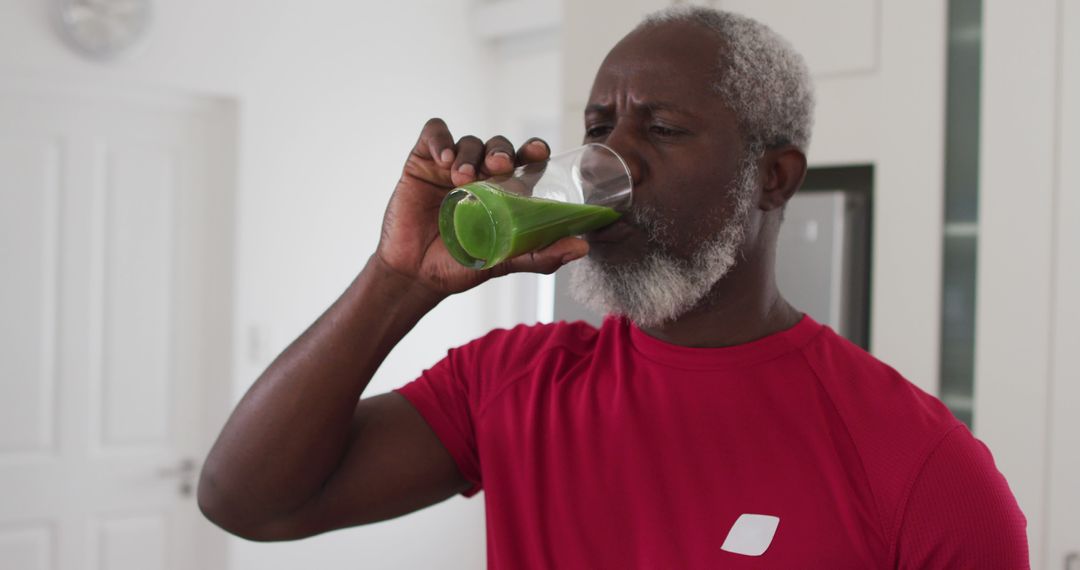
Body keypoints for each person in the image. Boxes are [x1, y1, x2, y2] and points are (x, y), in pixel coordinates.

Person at [197, 6, 1029, 568]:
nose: (615, 162)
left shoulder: (921, 469)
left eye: (662, 129)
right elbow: (250, 502)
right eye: (599, 129)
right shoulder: (514, 382)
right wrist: (398, 278)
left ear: (772, 179)